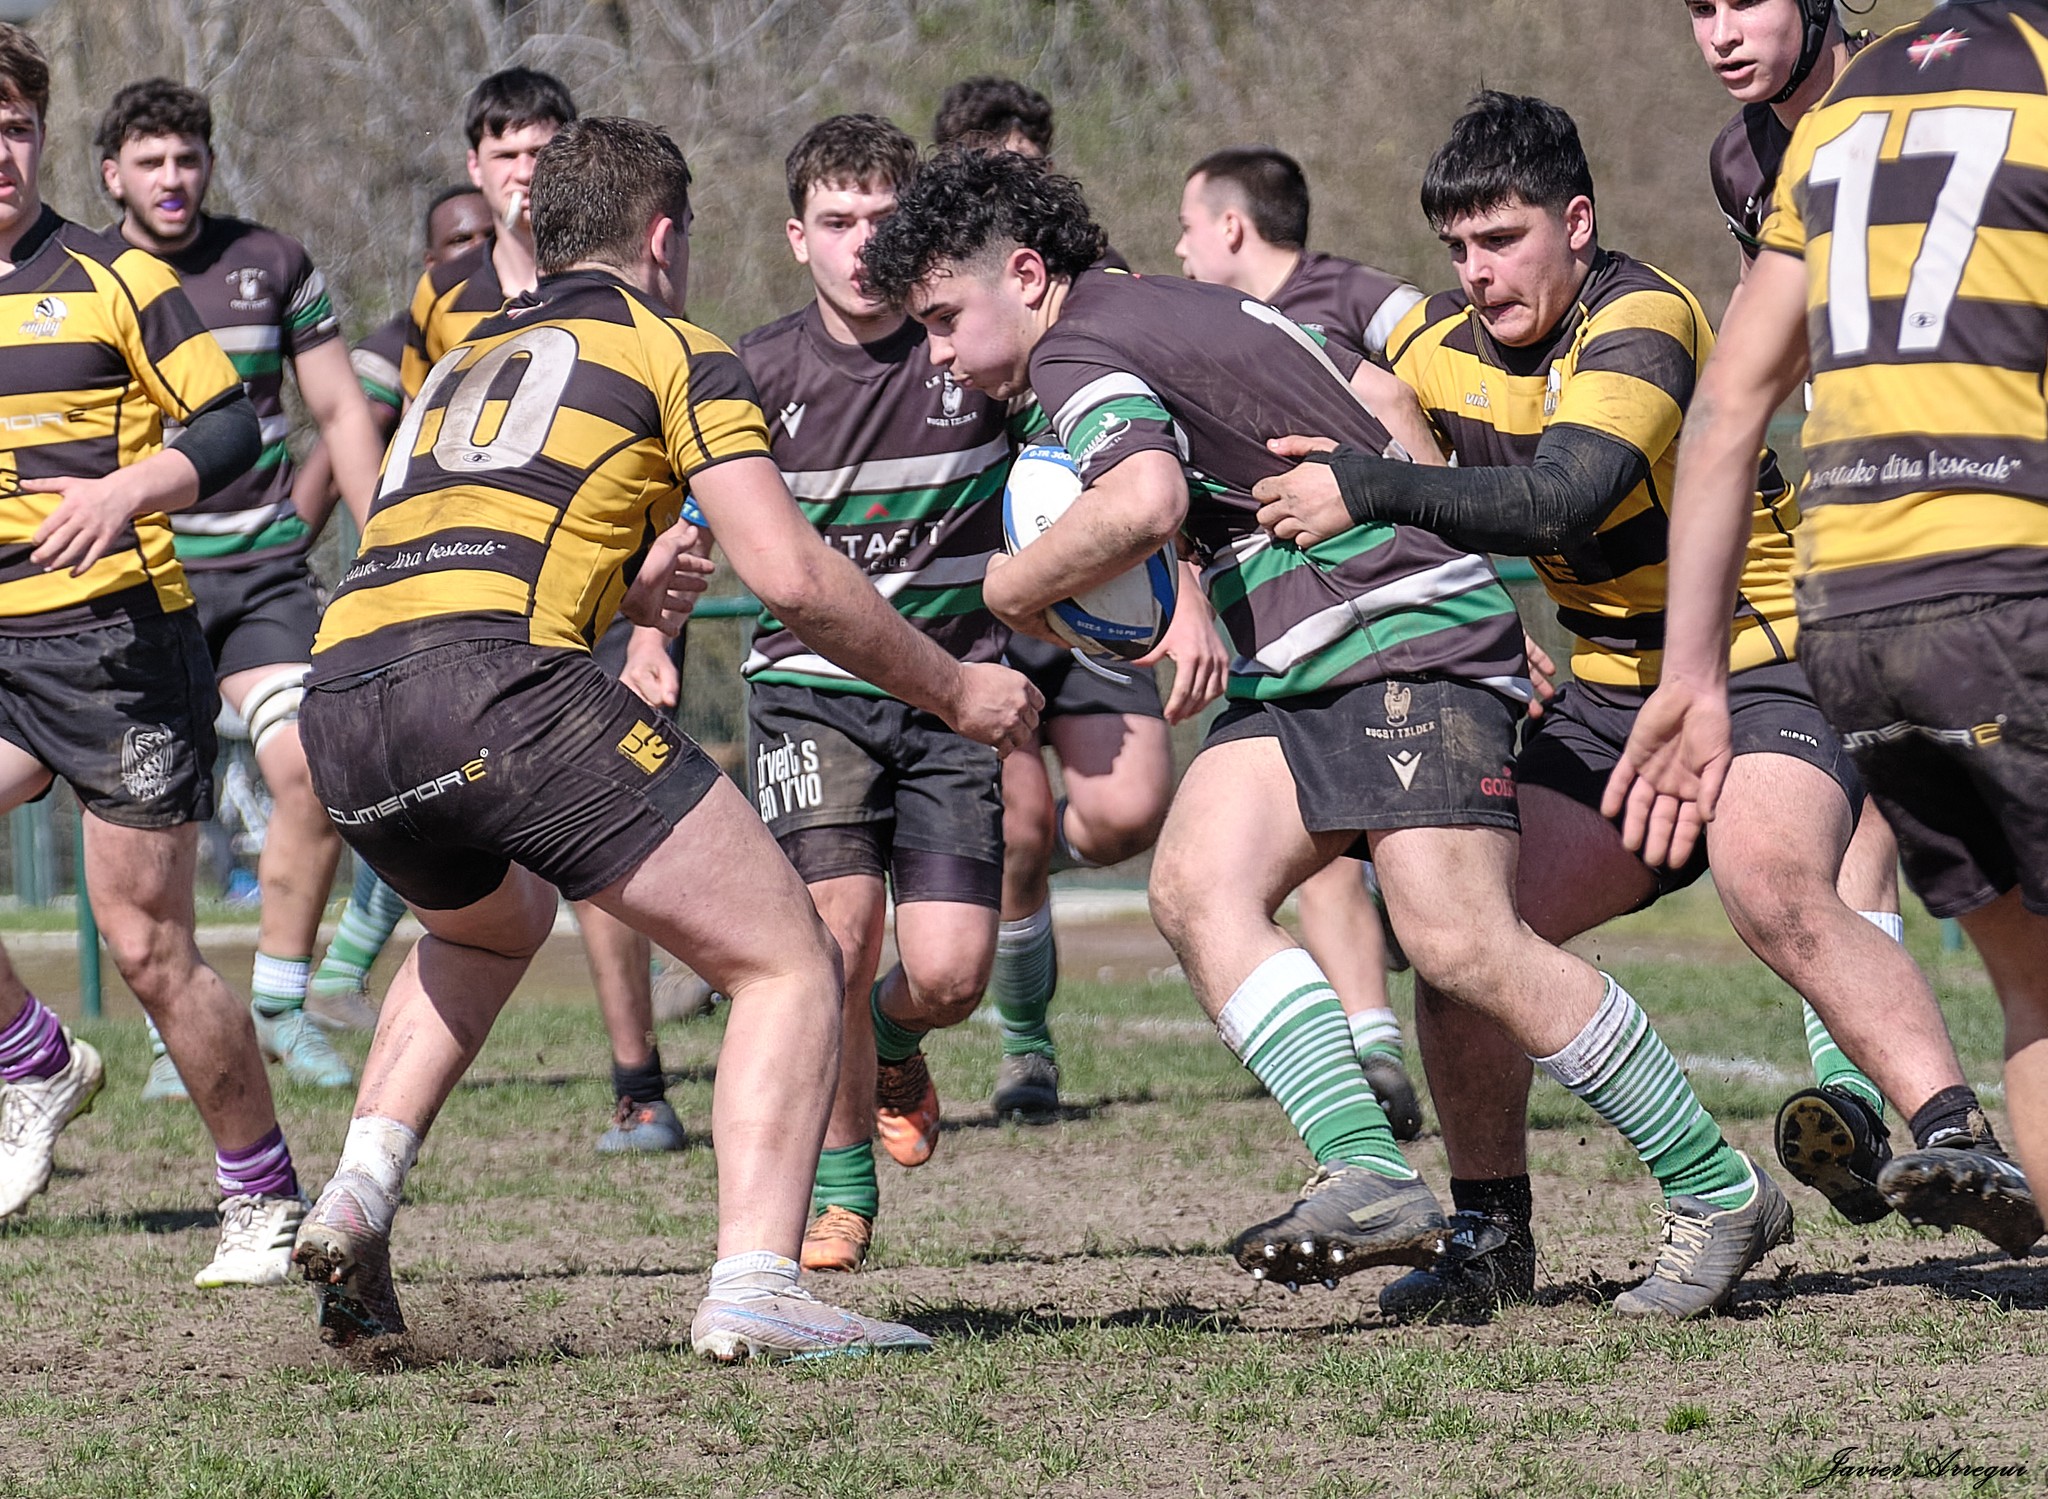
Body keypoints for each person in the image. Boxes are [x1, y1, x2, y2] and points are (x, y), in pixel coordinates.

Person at [865, 145, 1791, 1318]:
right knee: (1197, 883)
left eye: (945, 318)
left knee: (1460, 945)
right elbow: (1374, 403)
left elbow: (1142, 500)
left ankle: (1716, 1186)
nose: (939, 354)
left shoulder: (1079, 346)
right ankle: (1363, 1166)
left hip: (1385, 636)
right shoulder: (1184, 308)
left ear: (1028, 273)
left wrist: (1010, 588)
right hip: (1309, 646)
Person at [1250, 91, 2036, 1318]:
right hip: (1610, 700)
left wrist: (1370, 484)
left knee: (1767, 878)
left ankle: (1957, 1141)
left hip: (1762, 659)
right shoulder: (1440, 351)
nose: (1477, 272)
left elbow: (1564, 497)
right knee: (1464, 936)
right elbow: (1369, 450)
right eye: (1456, 248)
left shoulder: (1642, 318)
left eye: (1501, 240)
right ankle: (1489, 1234)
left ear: (1576, 221)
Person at [290, 115, 1040, 1360]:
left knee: (485, 926)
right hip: (494, 688)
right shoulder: (675, 347)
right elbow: (791, 573)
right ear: (663, 235)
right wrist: (957, 690)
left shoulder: (462, 354)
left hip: (346, 695)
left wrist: (624, 597)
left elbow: (471, 531)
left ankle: (356, 1192)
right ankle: (758, 1283)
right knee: (791, 958)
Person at [1608, 0, 2048, 1256]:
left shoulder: (1841, 120)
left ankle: (1910, 1104)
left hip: (1849, 593)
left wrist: (1689, 670)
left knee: (2027, 983)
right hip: (2004, 566)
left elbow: (1728, 404)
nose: (1714, 30)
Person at [0, 24, 311, 1289]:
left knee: (147, 947)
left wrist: (131, 488)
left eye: (12, 127)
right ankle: (31, 1057)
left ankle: (264, 1192)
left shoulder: (113, 275)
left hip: (118, 642)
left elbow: (234, 425)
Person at [735, 113, 1060, 1269]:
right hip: (807, 698)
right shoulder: (753, 373)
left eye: (882, 216)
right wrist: (646, 625)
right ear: (795, 237)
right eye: (836, 220)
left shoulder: (966, 347)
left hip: (951, 696)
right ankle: (838, 1185)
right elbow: (691, 523)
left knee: (949, 972)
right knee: (826, 938)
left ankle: (888, 1038)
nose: (861, 241)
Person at [395, 70, 697, 1154]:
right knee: (509, 874)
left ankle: (638, 1079)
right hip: (479, 599)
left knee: (604, 829)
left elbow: (678, 481)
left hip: (613, 586)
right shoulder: (447, 300)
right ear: (477, 168)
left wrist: (652, 628)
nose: (524, 172)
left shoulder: (648, 316)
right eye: (506, 153)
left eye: (543, 152)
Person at [933, 76, 1231, 1124]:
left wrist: (1185, 585)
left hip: (1103, 586)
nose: (1027, 173)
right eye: (1000, 161)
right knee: (1015, 825)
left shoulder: (1108, 294)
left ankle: (995, 874)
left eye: (1036, 156)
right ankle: (1026, 1047)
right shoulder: (936, 313)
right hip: (990, 605)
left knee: (1121, 814)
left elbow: (1177, 456)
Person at [95, 78, 386, 1096]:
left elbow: (343, 410)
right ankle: (188, 1020)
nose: (173, 179)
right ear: (110, 175)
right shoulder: (85, 276)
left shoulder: (273, 264)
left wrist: (389, 543)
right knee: (151, 815)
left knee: (312, 763)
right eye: (150, 162)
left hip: (263, 574)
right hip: (135, 581)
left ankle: (278, 997)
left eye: (187, 158)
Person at [1175, 143, 1428, 1137]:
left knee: (1448, 912)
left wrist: (1444, 536)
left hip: (1384, 625)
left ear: (1231, 226)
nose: (1181, 249)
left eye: (1188, 226)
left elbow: (1416, 381)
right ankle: (1370, 1046)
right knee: (1318, 844)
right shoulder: (1208, 331)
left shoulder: (1341, 301)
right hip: (1291, 636)